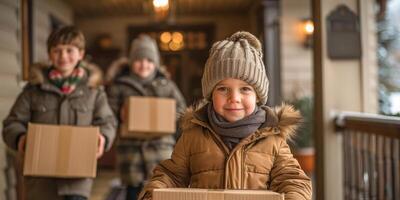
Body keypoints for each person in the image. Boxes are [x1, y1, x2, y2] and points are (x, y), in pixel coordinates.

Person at [137, 31, 312, 200]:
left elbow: (293, 180)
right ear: (210, 94)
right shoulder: (193, 136)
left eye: (245, 89)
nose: (234, 98)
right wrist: (153, 194)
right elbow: (171, 175)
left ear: (258, 96)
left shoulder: (273, 139)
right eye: (223, 89)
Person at [2, 26, 117, 200]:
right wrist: (20, 138)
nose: (63, 56)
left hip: (77, 181)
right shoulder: (33, 91)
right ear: (50, 54)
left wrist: (104, 138)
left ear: (81, 54)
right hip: (41, 182)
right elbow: (12, 123)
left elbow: (108, 122)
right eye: (57, 51)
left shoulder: (94, 92)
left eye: (69, 50)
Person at [106, 34, 186, 200]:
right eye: (138, 60)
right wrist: (120, 115)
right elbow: (108, 113)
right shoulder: (120, 86)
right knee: (132, 192)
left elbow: (182, 112)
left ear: (156, 64)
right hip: (130, 151)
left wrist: (168, 116)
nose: (144, 65)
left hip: (160, 148)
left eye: (149, 61)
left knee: (159, 190)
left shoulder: (167, 86)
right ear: (130, 62)